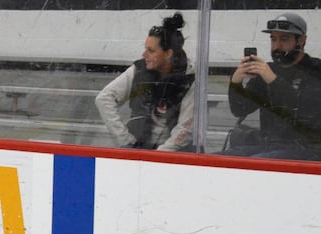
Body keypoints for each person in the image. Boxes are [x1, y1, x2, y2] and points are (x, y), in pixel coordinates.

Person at [216, 12, 321, 160]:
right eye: (273, 39)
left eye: (284, 39)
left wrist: (273, 80)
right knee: (216, 160)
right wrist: (236, 83)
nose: (277, 46)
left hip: (308, 148)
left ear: (301, 40)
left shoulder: (315, 70)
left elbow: (303, 110)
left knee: (255, 163)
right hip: (268, 145)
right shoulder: (267, 70)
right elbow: (240, 109)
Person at [95, 12, 194, 151]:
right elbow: (104, 98)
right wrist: (126, 141)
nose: (144, 54)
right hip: (138, 148)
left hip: (172, 157)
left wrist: (157, 157)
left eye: (151, 50)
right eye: (145, 48)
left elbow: (185, 130)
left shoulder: (191, 78)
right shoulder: (139, 70)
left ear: (168, 54)